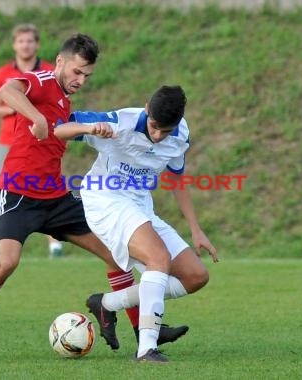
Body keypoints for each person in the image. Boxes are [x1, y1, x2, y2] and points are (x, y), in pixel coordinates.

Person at [0, 35, 187, 359]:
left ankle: (144, 331)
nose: (80, 81)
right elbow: (7, 90)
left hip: (56, 196)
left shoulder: (66, 101)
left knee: (114, 253)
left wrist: (92, 129)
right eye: (77, 72)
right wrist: (36, 118)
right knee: (5, 265)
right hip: (17, 193)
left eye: (87, 76)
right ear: (60, 61)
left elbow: (72, 129)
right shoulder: (42, 81)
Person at [54, 85, 219, 363]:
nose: (157, 136)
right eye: (154, 127)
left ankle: (106, 304)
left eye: (164, 131)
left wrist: (196, 229)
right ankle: (146, 349)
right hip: (105, 200)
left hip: (140, 207)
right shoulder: (120, 122)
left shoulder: (180, 135)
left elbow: (177, 178)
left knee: (195, 276)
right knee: (158, 258)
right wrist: (91, 129)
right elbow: (60, 127)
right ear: (146, 109)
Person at [0, 23, 63, 258]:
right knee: (2, 187)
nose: (25, 45)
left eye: (30, 41)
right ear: (14, 45)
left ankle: (55, 245)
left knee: (48, 188)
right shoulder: (3, 74)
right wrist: (18, 108)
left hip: (40, 140)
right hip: (9, 141)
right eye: (21, 41)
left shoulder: (49, 71)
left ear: (37, 44)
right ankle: (5, 239)